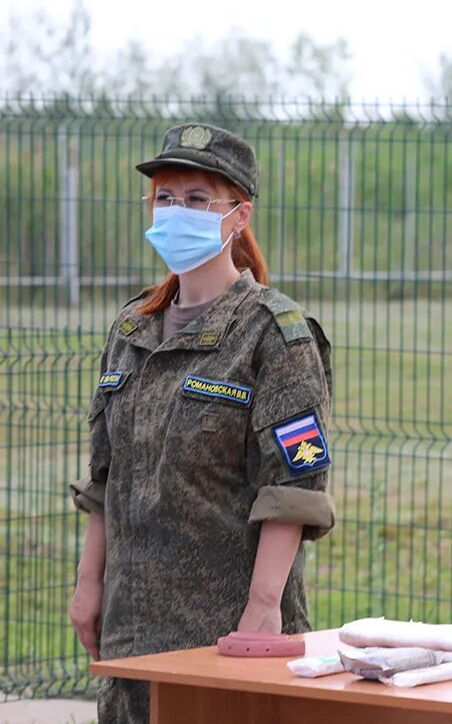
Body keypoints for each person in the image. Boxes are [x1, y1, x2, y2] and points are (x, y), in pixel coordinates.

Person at [68, 123, 337, 724]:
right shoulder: (133, 327)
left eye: (196, 199)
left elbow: (293, 492)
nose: (175, 212)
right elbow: (104, 478)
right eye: (165, 197)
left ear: (238, 217)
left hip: (227, 637)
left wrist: (263, 611)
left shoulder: (275, 334)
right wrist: (90, 586)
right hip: (132, 632)